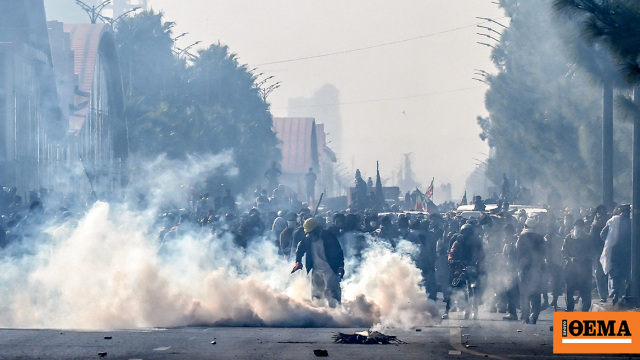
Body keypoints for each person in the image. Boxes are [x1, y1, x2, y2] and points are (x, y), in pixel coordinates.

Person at [291, 218, 345, 307]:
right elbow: (300, 249)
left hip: (330, 269)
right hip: (316, 269)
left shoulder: (329, 237)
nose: (311, 235)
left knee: (332, 293)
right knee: (316, 294)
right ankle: (318, 314)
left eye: (312, 233)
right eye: (309, 233)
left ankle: (337, 314)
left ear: (318, 229)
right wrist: (298, 261)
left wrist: (341, 267)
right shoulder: (308, 238)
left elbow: (339, 253)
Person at [444, 223, 485, 320]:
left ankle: (476, 309)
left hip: (473, 267)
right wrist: (452, 259)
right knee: (454, 287)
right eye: (465, 232)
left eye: (469, 233)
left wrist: (480, 261)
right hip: (460, 267)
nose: (467, 235)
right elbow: (452, 252)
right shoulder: (458, 242)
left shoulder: (477, 243)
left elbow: (482, 254)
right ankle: (446, 311)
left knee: (478, 286)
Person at [600, 204, 632, 305]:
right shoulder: (631, 222)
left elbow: (603, 234)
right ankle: (623, 295)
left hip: (614, 251)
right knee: (624, 274)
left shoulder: (613, 221)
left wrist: (609, 242)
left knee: (614, 274)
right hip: (627, 252)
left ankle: (614, 293)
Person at [516, 217, 546, 324]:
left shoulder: (521, 238)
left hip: (524, 269)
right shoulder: (540, 238)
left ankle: (525, 315)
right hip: (538, 269)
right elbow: (544, 253)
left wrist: (518, 267)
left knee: (524, 293)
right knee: (536, 293)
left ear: (525, 226)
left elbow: (518, 255)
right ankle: (534, 315)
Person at [561, 219, 593, 312]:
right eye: (577, 226)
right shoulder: (569, 237)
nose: (578, 228)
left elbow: (592, 252)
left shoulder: (588, 238)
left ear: (583, 227)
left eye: (580, 226)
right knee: (569, 291)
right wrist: (570, 259)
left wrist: (585, 258)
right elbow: (564, 251)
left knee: (586, 292)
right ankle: (569, 309)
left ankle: (584, 312)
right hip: (572, 269)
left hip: (585, 269)